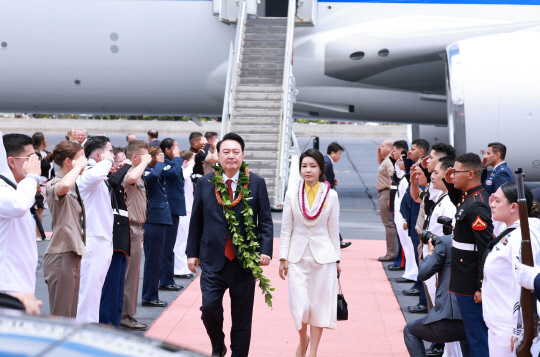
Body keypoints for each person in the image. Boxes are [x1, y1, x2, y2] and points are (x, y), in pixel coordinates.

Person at [186, 133, 273, 357]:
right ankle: (218, 344)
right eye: (226, 152)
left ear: (242, 155)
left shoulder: (256, 183)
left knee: (242, 317)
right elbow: (196, 220)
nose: (231, 156)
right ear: (218, 156)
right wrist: (192, 253)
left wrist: (265, 251)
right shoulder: (206, 182)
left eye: (236, 152)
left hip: (244, 261)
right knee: (209, 309)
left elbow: (265, 222)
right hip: (212, 258)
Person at [279, 148, 341, 357]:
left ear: (321, 169)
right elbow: (286, 229)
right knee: (300, 305)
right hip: (296, 257)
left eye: (312, 166)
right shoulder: (291, 193)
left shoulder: (331, 195)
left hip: (324, 258)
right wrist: (282, 258)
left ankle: (313, 350)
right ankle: (302, 339)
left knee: (319, 306)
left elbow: (334, 229)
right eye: (304, 166)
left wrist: (338, 259)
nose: (308, 170)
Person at [483, 181, 540, 357]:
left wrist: (519, 330)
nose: (491, 203)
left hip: (509, 329)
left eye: (497, 201)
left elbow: (524, 288)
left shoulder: (523, 236)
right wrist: (496, 207)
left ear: (514, 206)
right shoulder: (512, 231)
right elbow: (500, 234)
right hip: (499, 325)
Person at [447, 153, 493, 357]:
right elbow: (460, 206)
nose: (452, 174)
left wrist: (481, 286)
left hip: (470, 281)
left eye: (456, 171)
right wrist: (450, 184)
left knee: (477, 335)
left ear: (471, 174)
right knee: (470, 333)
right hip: (463, 276)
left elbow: (486, 248)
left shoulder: (477, 205)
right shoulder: (469, 197)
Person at [403, 234, 469, 357]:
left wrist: (430, 253)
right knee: (468, 339)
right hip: (474, 316)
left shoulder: (446, 241)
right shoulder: (484, 240)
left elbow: (423, 273)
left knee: (410, 330)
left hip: (448, 318)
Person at [43, 141, 87, 318]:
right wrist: (79, 167)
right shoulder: (54, 182)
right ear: (69, 162)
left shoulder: (73, 183)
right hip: (60, 253)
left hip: (71, 251)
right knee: (61, 317)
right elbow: (63, 187)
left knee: (70, 315)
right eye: (80, 158)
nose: (84, 161)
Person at [75, 137, 115, 323]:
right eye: (109, 152)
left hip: (101, 237)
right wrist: (107, 161)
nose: (112, 156)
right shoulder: (88, 172)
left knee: (95, 290)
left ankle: (88, 327)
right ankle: (84, 331)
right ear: (99, 154)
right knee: (89, 291)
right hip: (93, 238)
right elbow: (94, 177)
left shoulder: (96, 171)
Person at [0, 133, 42, 294]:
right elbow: (17, 206)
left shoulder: (15, 188)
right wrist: (32, 177)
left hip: (19, 282)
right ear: (11, 161)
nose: (36, 162)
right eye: (30, 158)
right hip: (7, 284)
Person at [121, 140, 152, 329]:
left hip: (137, 229)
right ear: (135, 157)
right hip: (131, 229)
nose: (147, 158)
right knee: (130, 276)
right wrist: (144, 163)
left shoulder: (137, 172)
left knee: (132, 275)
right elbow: (131, 178)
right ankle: (125, 315)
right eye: (144, 155)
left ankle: (125, 313)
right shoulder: (129, 171)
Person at [99, 151, 132, 327]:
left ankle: (115, 323)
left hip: (121, 240)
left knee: (117, 289)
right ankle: (107, 324)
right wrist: (126, 165)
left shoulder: (114, 177)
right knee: (109, 290)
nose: (115, 164)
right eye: (113, 160)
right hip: (112, 239)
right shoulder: (100, 176)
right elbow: (112, 181)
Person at [141, 145, 172, 307]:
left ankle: (151, 294)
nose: (162, 158)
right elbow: (150, 180)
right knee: (153, 260)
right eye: (158, 155)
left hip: (159, 218)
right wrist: (158, 163)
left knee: (156, 259)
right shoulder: (146, 171)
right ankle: (149, 296)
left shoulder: (154, 170)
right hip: (153, 218)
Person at [159, 138, 185, 292]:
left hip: (173, 208)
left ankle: (168, 278)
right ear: (167, 149)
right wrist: (177, 158)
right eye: (175, 147)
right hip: (169, 209)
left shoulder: (172, 161)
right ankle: (166, 280)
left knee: (170, 246)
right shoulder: (166, 162)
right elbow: (173, 173)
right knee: (167, 246)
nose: (178, 149)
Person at [324, 141, 351, 249]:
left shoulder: (327, 161)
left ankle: (338, 240)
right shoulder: (327, 162)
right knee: (330, 218)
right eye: (339, 154)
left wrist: (332, 180)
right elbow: (322, 178)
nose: (339, 157)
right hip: (326, 196)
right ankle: (337, 240)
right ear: (332, 153)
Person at [174, 150, 195, 279]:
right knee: (180, 241)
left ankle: (180, 267)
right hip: (183, 210)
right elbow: (185, 176)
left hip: (187, 209)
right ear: (186, 161)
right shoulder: (181, 171)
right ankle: (179, 268)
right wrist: (191, 165)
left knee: (183, 240)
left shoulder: (183, 171)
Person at [377, 139, 397, 261]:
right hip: (383, 193)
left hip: (386, 192)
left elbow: (392, 179)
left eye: (383, 146)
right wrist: (379, 153)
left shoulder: (389, 161)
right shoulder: (386, 159)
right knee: (388, 224)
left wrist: (390, 197)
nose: (380, 147)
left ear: (389, 148)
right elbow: (379, 162)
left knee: (389, 224)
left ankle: (392, 253)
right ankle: (391, 252)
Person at [33, 132, 55, 240]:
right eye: (44, 139)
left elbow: (52, 170)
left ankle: (39, 233)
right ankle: (38, 234)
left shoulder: (46, 153)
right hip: (39, 185)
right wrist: (36, 185)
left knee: (41, 209)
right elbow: (35, 170)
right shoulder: (35, 155)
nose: (46, 140)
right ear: (40, 141)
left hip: (47, 184)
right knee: (39, 209)